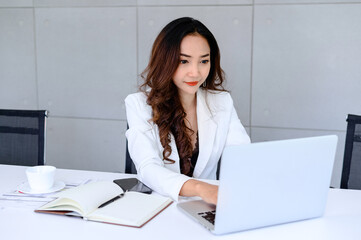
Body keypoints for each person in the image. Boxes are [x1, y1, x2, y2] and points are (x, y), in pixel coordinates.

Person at [125, 17, 250, 205]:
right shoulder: (139, 104)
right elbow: (148, 167)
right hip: (158, 207)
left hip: (205, 207)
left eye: (204, 61)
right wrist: (200, 188)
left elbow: (243, 156)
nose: (195, 72)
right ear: (165, 61)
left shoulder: (221, 102)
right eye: (184, 61)